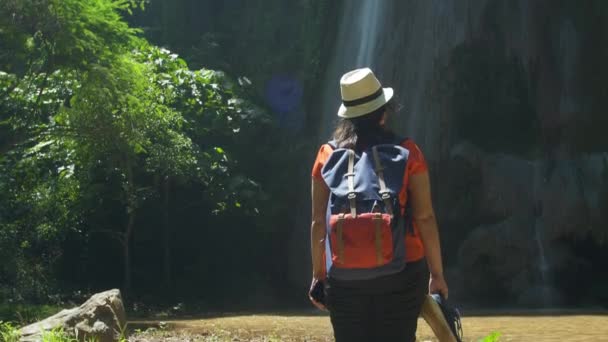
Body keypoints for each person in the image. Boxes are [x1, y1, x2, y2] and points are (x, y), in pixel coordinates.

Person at [308, 68, 449, 341]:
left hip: (345, 275)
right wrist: (437, 274)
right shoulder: (408, 151)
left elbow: (317, 222)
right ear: (383, 111)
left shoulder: (327, 154)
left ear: (347, 115)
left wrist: (318, 275)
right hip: (403, 272)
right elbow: (425, 218)